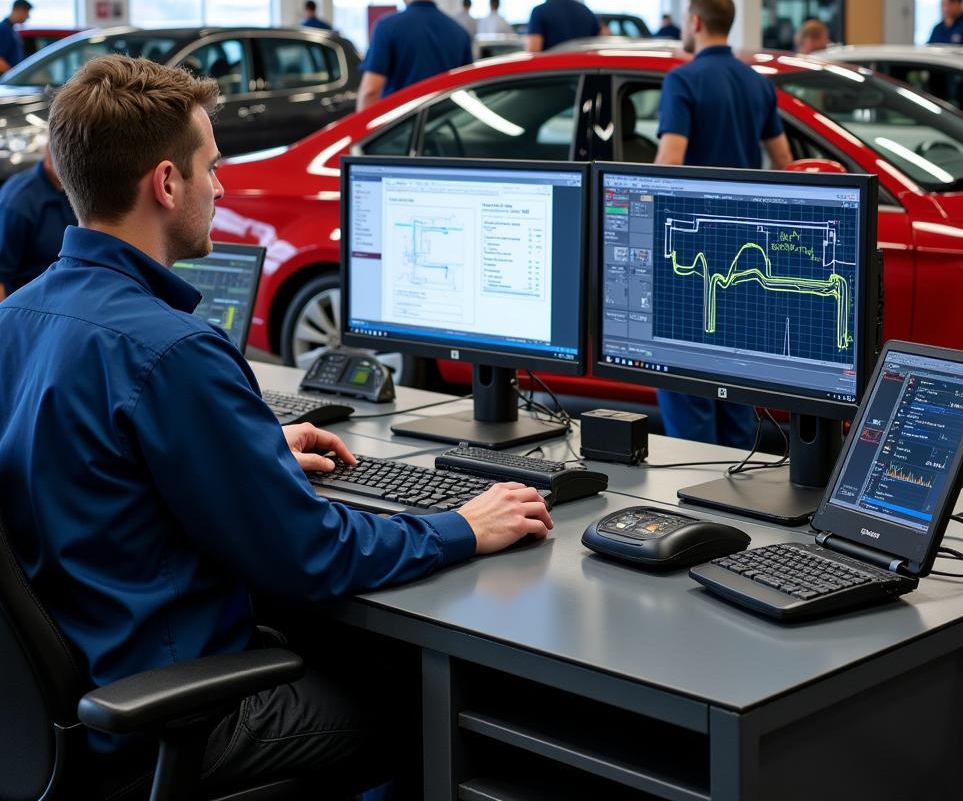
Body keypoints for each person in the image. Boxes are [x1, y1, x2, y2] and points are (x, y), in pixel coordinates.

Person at [0, 54, 552, 794]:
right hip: (167, 718)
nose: (222, 187)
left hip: (62, 709)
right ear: (166, 184)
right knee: (419, 697)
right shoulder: (173, 352)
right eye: (211, 167)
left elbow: (83, 468)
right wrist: (463, 525)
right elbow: (312, 556)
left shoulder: (16, 317)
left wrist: (250, 450)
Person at [654, 0, 793, 450]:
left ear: (694, 22)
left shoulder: (682, 80)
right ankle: (731, 481)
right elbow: (784, 162)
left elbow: (670, 161)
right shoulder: (757, 83)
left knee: (684, 378)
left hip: (695, 250)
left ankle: (691, 479)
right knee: (733, 378)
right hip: (744, 249)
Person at [357, 0, 473, 111]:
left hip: (400, 129)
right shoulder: (460, 32)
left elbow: (369, 92)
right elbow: (467, 89)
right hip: (444, 126)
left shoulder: (387, 27)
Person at [0, 142, 76, 301]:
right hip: (30, 307)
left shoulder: (72, 187)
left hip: (67, 296)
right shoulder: (18, 203)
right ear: (50, 156)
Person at [0, 0, 31, 73]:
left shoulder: (10, 29)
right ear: (18, 10)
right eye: (26, 12)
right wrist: (14, 77)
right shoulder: (4, 29)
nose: (28, 16)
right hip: (8, 82)